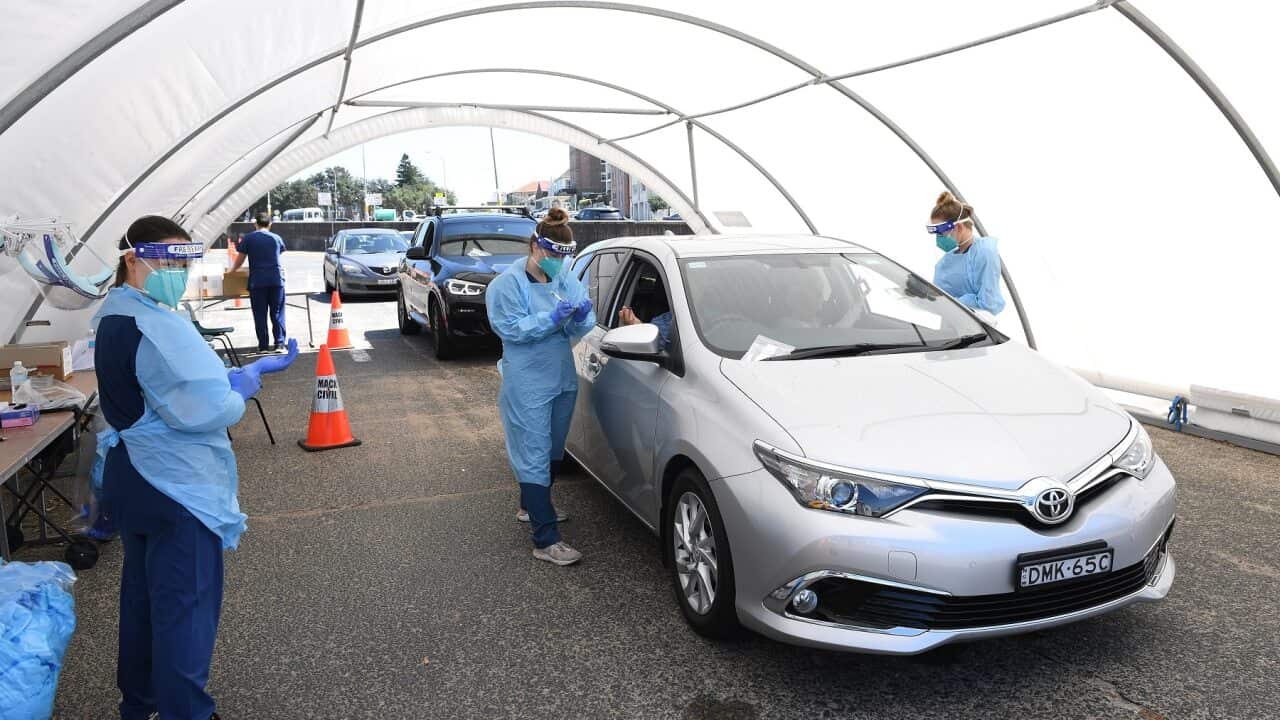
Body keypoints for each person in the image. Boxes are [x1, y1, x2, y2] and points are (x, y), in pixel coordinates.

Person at [93, 216, 297, 720]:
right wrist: (242, 384)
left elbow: (167, 388)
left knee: (142, 603)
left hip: (133, 474)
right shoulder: (156, 324)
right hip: (173, 483)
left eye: (185, 259)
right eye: (166, 258)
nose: (177, 270)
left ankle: (139, 705)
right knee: (185, 609)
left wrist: (224, 376)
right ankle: (188, 711)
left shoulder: (117, 312)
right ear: (131, 258)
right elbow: (209, 409)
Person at [486, 207, 595, 566]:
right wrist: (551, 318)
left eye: (563, 257)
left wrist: (581, 316)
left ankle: (528, 505)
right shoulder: (507, 285)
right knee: (532, 449)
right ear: (535, 246)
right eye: (551, 255)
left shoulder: (564, 280)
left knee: (552, 446)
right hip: (527, 379)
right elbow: (511, 328)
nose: (556, 263)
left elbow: (582, 324)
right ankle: (546, 538)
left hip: (560, 374)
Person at [926, 191, 1006, 324]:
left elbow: (989, 303)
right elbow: (938, 300)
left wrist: (953, 303)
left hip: (977, 330)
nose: (939, 237)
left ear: (958, 227)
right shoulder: (945, 262)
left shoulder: (984, 252)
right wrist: (922, 294)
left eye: (941, 232)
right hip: (948, 328)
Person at [230, 212, 287, 352]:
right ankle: (279, 344)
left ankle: (263, 346)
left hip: (257, 282)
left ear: (255, 224)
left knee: (260, 314)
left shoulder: (249, 239)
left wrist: (232, 271)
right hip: (276, 280)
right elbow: (278, 255)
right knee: (277, 312)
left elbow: (240, 259)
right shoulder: (277, 238)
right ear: (270, 224)